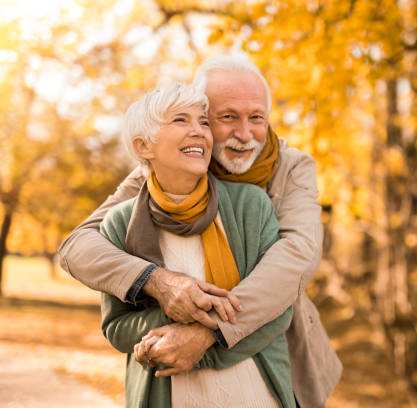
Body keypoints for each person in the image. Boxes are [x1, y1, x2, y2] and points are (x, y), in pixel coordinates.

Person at [58, 54, 341, 407]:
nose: (244, 133)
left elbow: (297, 259)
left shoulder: (291, 168)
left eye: (257, 118)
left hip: (278, 346)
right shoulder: (163, 168)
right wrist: (156, 281)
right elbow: (77, 246)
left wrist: (207, 331)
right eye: (227, 118)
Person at [100, 81, 294, 407]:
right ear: (144, 146)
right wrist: (171, 320)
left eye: (203, 121)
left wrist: (199, 338)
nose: (199, 131)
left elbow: (278, 307)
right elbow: (116, 327)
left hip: (255, 393)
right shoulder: (119, 223)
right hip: (171, 395)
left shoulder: (251, 205)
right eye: (181, 120)